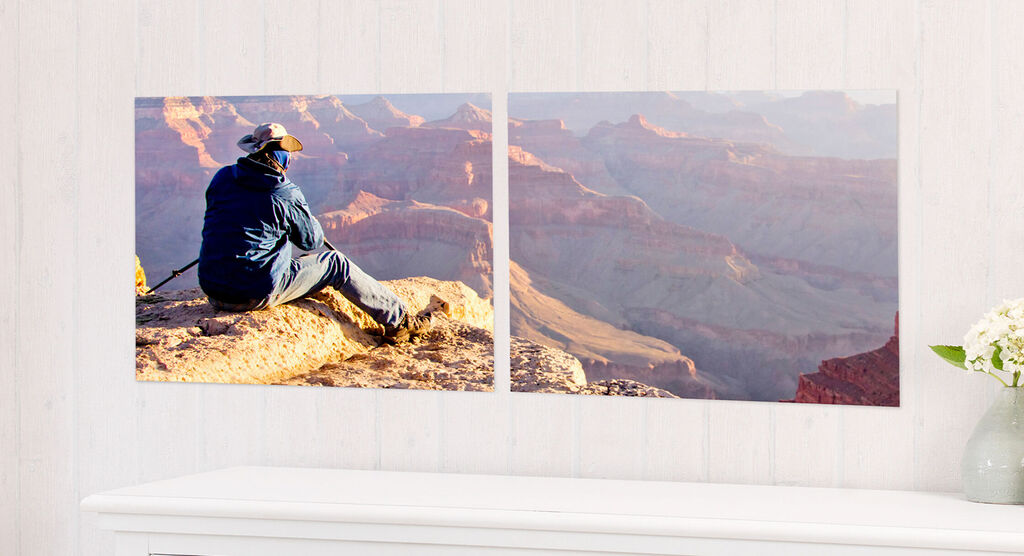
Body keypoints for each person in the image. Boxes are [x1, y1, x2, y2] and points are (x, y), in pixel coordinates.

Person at [197, 122, 431, 343]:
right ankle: (401, 322)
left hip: (213, 289)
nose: (290, 158)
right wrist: (307, 218)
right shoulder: (283, 192)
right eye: (287, 152)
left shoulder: (222, 177)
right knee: (337, 263)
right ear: (279, 155)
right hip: (253, 293)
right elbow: (311, 241)